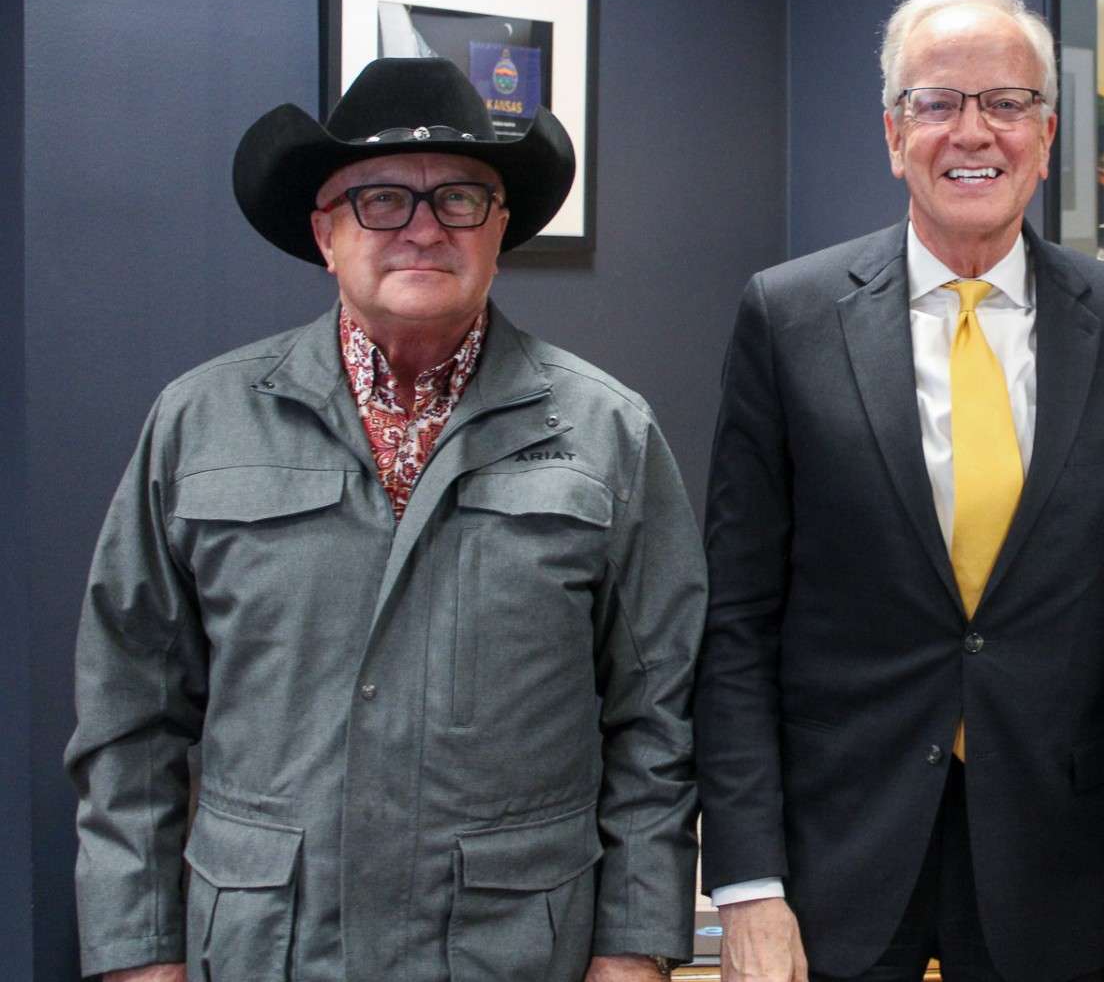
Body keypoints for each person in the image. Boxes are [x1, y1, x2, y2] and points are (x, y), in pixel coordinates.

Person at [68, 57, 706, 982]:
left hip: (514, 954)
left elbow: (659, 720)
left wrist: (633, 950)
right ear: (325, 232)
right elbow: (128, 714)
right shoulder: (198, 423)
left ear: (500, 230)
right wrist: (138, 955)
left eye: (459, 199)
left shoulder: (609, 434)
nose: (422, 228)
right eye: (378, 200)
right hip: (264, 950)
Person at [697, 0, 1104, 982]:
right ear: (893, 133)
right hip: (839, 858)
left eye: (1008, 103)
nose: (976, 132)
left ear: (1046, 135)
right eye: (938, 103)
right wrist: (748, 884)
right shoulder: (788, 318)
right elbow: (736, 621)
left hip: (1063, 866)